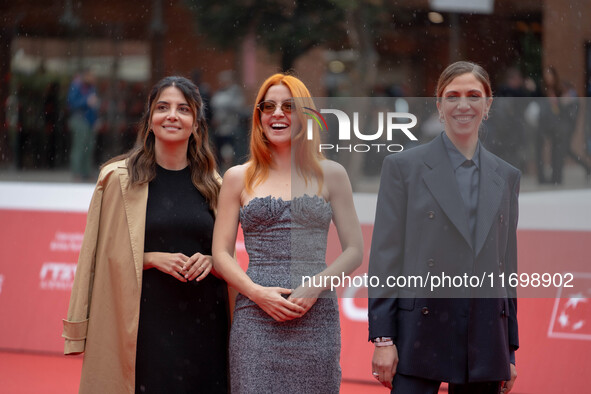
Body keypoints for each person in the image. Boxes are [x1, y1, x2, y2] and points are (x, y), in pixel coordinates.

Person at [62, 76, 229, 393]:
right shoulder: (116, 179)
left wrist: (212, 260)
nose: (172, 116)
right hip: (142, 324)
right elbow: (93, 258)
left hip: (206, 322)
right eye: (162, 107)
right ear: (150, 120)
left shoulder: (216, 185)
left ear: (196, 124)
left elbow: (228, 258)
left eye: (183, 109)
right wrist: (149, 258)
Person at [368, 61, 520, 393]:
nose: (463, 105)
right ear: (439, 105)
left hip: (484, 337)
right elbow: (385, 258)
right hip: (418, 332)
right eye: (452, 96)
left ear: (488, 104)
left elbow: (506, 267)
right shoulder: (402, 167)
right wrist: (383, 338)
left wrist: (508, 349)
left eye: (473, 95)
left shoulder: (506, 176)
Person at [212, 73, 363, 393]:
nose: (277, 113)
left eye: (288, 106)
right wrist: (256, 293)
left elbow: (354, 250)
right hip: (255, 320)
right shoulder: (237, 177)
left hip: (316, 319)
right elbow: (221, 254)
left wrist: (314, 287)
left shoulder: (332, 174)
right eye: (268, 106)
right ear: (259, 117)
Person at [67, 69, 99, 181]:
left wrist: (95, 120)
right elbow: (71, 103)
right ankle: (77, 172)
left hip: (89, 121)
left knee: (88, 146)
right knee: (79, 146)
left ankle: (86, 172)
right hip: (79, 119)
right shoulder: (77, 85)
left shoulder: (91, 87)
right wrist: (86, 101)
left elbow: (94, 105)